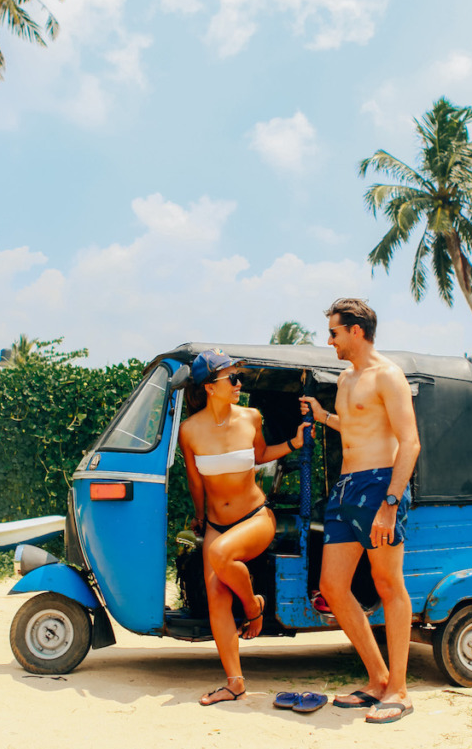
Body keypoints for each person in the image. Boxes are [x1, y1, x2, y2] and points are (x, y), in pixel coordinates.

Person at [301, 298, 420, 724]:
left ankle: (401, 691)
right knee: (332, 587)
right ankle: (377, 679)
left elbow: (410, 442)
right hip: (346, 488)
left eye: (333, 332)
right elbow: (354, 429)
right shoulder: (346, 380)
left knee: (389, 585)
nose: (328, 340)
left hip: (378, 487)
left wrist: (390, 502)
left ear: (355, 330)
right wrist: (324, 416)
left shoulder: (388, 376)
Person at [179, 348, 310, 706]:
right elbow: (195, 482)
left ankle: (254, 608)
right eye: (232, 378)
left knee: (220, 555)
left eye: (239, 377)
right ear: (209, 386)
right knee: (216, 596)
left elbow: (262, 454)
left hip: (255, 518)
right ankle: (234, 682)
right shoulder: (189, 431)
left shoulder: (251, 417)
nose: (239, 383)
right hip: (217, 526)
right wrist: (200, 516)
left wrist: (293, 444)